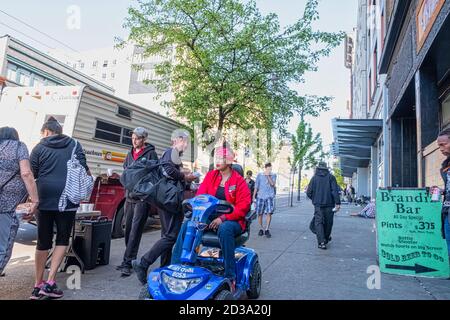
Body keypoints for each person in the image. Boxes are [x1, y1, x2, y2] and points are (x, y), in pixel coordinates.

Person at [170, 145, 251, 292]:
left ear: (230, 160)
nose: (218, 160)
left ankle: (230, 275)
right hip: (209, 216)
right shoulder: (211, 176)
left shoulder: (239, 181)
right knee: (189, 223)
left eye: (222, 157)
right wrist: (197, 211)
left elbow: (243, 207)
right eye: (217, 157)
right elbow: (200, 197)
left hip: (233, 220)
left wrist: (223, 218)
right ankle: (177, 266)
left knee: (225, 229)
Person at [30, 117, 90, 300]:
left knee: (43, 240)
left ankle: (37, 285)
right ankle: (50, 283)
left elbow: (31, 175)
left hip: (44, 197)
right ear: (59, 130)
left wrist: (30, 201)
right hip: (68, 197)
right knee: (62, 239)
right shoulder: (74, 145)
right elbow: (84, 169)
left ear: (46, 131)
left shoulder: (39, 148)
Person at [132, 129, 197, 282]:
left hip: (168, 199)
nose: (186, 146)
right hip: (169, 200)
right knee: (170, 236)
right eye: (186, 142)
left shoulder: (174, 155)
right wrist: (185, 176)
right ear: (179, 139)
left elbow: (171, 175)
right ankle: (143, 263)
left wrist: (186, 181)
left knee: (167, 236)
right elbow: (168, 171)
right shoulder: (171, 152)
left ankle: (164, 268)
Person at [117, 127, 158, 277]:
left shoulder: (151, 154)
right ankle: (131, 259)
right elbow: (126, 171)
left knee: (135, 231)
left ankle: (127, 262)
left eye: (138, 138)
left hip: (142, 198)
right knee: (128, 230)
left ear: (144, 139)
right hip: (129, 197)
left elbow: (155, 175)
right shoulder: (130, 153)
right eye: (133, 138)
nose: (134, 141)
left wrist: (145, 188)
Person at [0, 127, 39, 276]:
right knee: (3, 246)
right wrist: (35, 200)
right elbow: (26, 173)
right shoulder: (18, 146)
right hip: (6, 205)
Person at [306, 161, 341, 250]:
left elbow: (309, 192)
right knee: (329, 222)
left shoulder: (314, 178)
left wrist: (315, 199)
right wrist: (337, 203)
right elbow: (334, 191)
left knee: (319, 222)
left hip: (318, 205)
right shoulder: (331, 177)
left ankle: (321, 242)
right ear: (326, 168)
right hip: (329, 204)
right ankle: (325, 238)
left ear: (318, 168)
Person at [254, 163, 277, 238]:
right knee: (259, 214)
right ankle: (261, 228)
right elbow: (256, 186)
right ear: (265, 168)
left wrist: (267, 176)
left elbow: (272, 184)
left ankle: (267, 229)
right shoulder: (259, 175)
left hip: (269, 197)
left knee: (269, 213)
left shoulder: (273, 175)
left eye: (271, 169)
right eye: (268, 169)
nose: (270, 170)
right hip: (260, 197)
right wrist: (253, 196)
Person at [437, 128, 450, 258]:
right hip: (446, 211)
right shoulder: (446, 164)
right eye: (439, 145)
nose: (440, 148)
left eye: (443, 144)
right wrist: (442, 190)